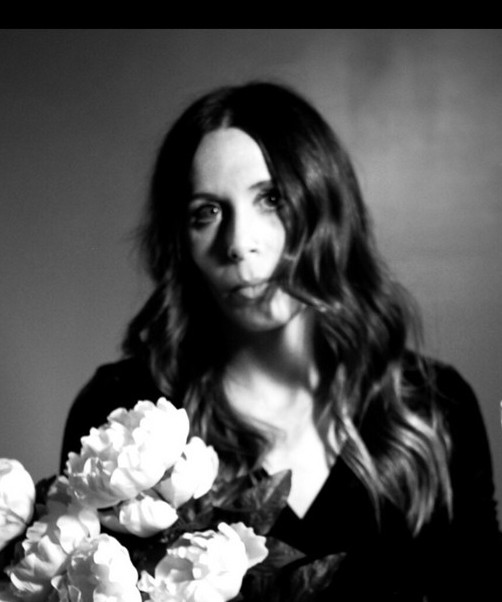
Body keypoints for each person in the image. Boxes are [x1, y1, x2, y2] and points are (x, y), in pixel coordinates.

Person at [60, 81, 501, 600]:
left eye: (271, 199)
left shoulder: (432, 409)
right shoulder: (123, 424)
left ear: (325, 206)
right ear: (181, 240)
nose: (238, 244)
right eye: (207, 212)